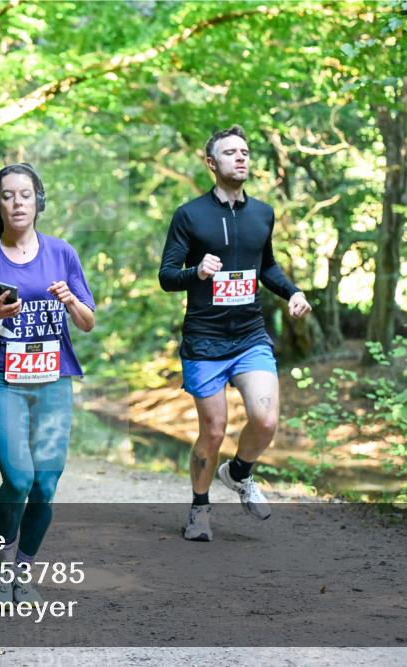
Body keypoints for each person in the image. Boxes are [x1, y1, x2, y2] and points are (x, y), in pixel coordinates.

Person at [0, 163, 95, 605]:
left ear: (38, 202)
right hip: (4, 379)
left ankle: (22, 573)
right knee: (18, 478)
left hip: (53, 381)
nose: (17, 203)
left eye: (25, 195)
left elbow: (87, 322)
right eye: (7, 196)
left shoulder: (62, 253)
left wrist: (69, 300)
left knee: (46, 484)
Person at [158, 125, 312, 542]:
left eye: (245, 152)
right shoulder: (190, 215)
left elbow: (267, 267)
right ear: (212, 163)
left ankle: (240, 472)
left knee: (265, 419)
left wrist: (293, 292)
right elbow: (167, 276)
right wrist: (197, 272)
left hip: (249, 335)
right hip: (205, 340)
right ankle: (199, 508)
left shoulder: (262, 213)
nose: (241, 158)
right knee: (213, 430)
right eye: (230, 153)